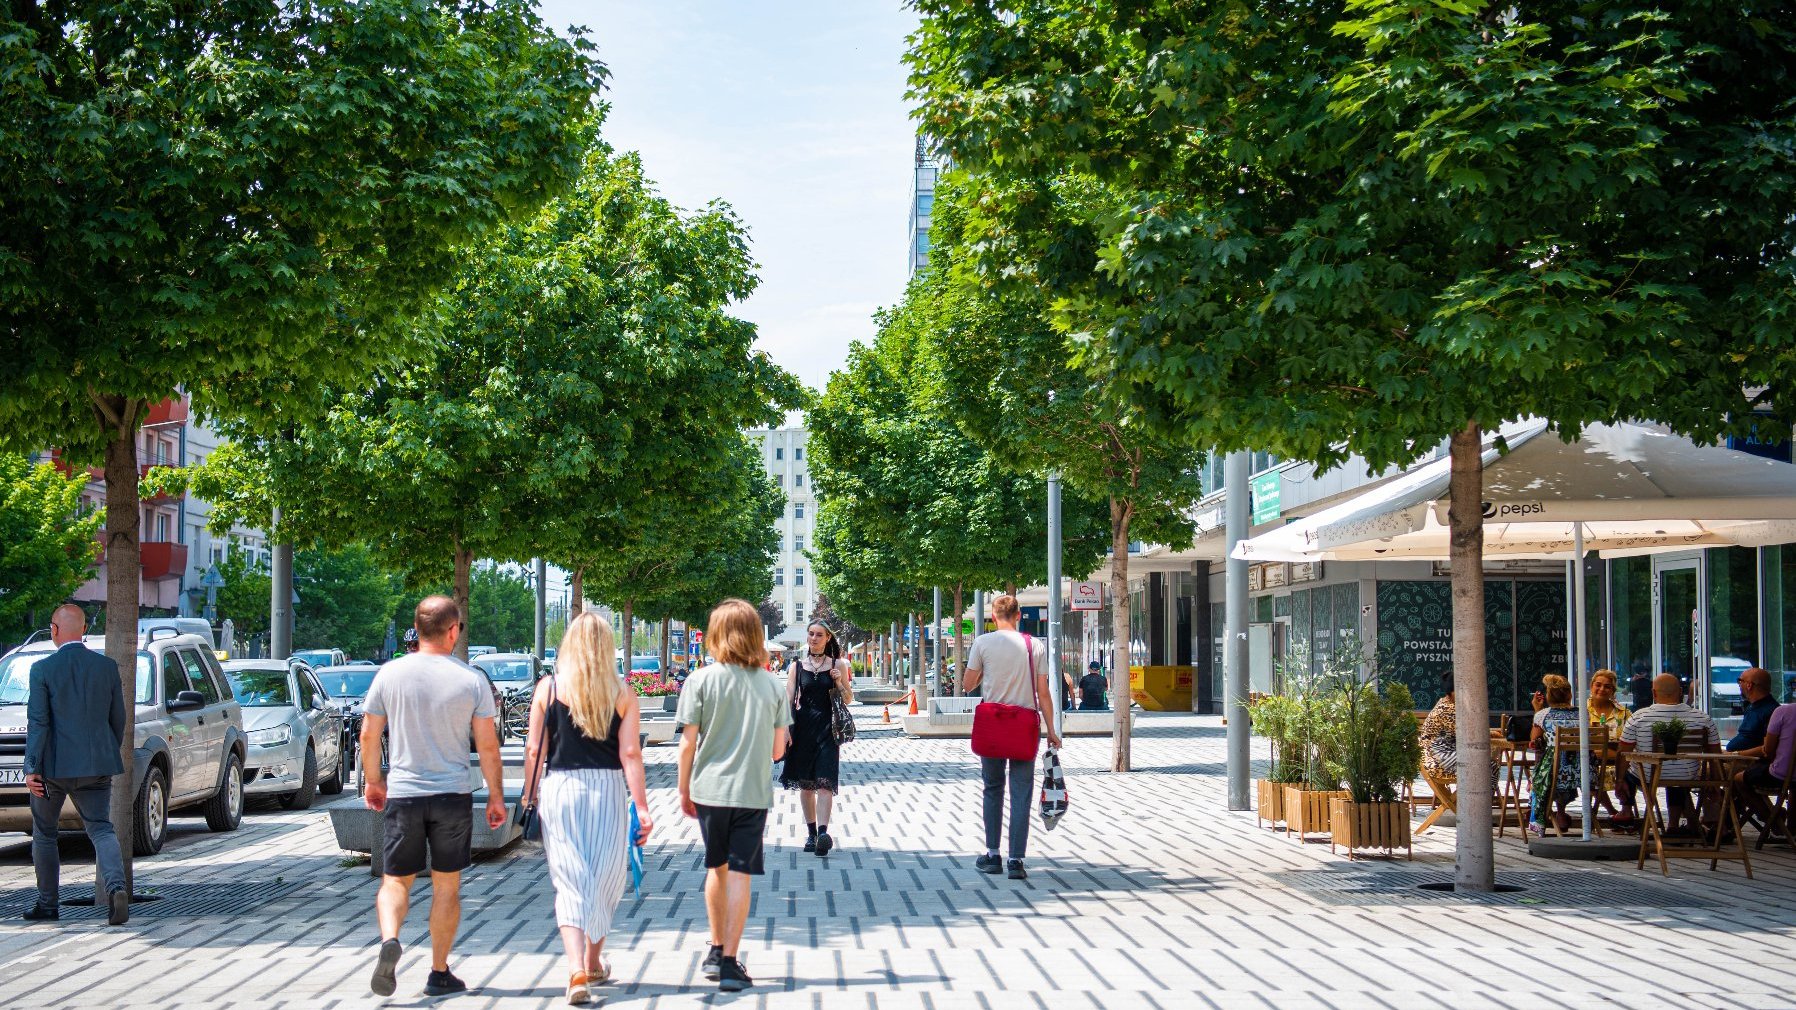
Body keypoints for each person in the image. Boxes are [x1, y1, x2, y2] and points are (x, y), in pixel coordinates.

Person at [361, 596, 506, 998]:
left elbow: (369, 735)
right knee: (446, 887)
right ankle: (439, 972)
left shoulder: (390, 674)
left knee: (395, 881)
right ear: (453, 630)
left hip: (405, 793)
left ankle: (391, 938)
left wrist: (374, 781)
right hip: (451, 795)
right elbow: (488, 745)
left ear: (418, 627)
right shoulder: (470, 679)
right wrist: (495, 795)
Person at [522, 611, 652, 1005]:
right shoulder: (622, 693)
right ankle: (589, 962)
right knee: (606, 877)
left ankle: (580, 967)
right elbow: (631, 754)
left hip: (560, 789)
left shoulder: (548, 689)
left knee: (570, 877)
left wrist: (529, 795)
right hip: (607, 789)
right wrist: (642, 806)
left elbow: (534, 749)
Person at [677, 599, 792, 993]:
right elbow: (777, 752)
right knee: (741, 872)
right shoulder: (771, 685)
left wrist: (683, 789)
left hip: (709, 789)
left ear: (715, 635)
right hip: (751, 792)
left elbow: (686, 745)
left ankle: (714, 948)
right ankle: (730, 962)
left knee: (716, 868)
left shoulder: (700, 681)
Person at [22, 604, 129, 926]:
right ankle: (117, 889)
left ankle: (48, 904)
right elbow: (118, 718)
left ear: (54, 630)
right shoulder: (106, 667)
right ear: (83, 630)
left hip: (51, 770)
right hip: (96, 765)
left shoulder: (42, 669)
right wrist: (104, 752)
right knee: (101, 829)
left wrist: (31, 767)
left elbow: (38, 722)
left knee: (44, 833)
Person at [961, 593, 1061, 880]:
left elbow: (967, 684)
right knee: (1021, 792)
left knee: (992, 788)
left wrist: (984, 672)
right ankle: (1016, 860)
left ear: (993, 617)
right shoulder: (1034, 645)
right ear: (1018, 616)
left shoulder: (982, 643)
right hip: (1023, 726)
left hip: (993, 724)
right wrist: (1052, 730)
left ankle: (993, 855)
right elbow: (1043, 693)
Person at [780, 620, 852, 856]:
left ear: (828, 637)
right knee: (806, 785)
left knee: (825, 783)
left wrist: (838, 682)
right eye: (811, 633)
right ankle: (811, 833)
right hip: (803, 730)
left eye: (819, 634)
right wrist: (785, 729)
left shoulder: (838, 664)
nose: (813, 638)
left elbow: (848, 698)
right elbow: (788, 699)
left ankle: (822, 834)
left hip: (828, 730)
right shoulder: (797, 667)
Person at [1617, 673, 1720, 834]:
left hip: (1647, 776)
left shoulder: (1639, 717)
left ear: (1654, 693)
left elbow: (1623, 752)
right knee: (1676, 771)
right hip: (1687, 775)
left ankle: (1626, 811)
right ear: (1680, 692)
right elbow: (1715, 755)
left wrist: (1619, 780)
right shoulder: (1703, 718)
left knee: (1633, 771)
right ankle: (1673, 825)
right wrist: (1715, 782)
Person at [1529, 675, 1582, 833]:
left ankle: (1540, 819)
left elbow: (1534, 739)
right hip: (1582, 773)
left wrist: (1537, 710)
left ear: (1548, 696)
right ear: (1570, 695)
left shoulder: (1543, 715)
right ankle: (1561, 814)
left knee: (1539, 775)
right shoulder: (1583, 714)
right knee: (1559, 765)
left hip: (1555, 773)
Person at [1734, 698, 1796, 828]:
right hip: (1790, 777)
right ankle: (1790, 829)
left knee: (1739, 778)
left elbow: (1768, 750)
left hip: (1781, 775)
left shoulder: (1783, 711)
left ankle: (1774, 821)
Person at [1586, 669, 1634, 823]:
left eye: (1607, 687)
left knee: (1630, 770)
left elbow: (1631, 741)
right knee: (1588, 772)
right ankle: (1612, 811)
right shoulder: (1582, 712)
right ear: (1591, 686)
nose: (1602, 689)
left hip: (1620, 761)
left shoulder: (1624, 713)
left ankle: (1626, 812)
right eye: (1598, 685)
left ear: (1613, 691)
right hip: (1592, 761)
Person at [1727, 668, 1778, 753]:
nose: (1739, 685)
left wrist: (1736, 754)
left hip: (1747, 759)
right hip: (1735, 757)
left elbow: (1767, 748)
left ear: (1749, 685)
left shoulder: (1772, 711)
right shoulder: (1751, 707)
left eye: (1740, 681)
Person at [1418, 672, 1457, 777]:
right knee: (1485, 766)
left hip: (1439, 757)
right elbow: (1468, 736)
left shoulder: (1445, 703)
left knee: (1486, 765)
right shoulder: (1448, 709)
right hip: (1436, 762)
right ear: (1452, 692)